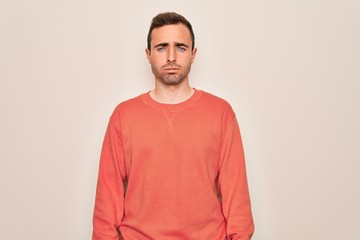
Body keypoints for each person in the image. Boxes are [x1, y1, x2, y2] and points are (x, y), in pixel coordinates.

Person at [92, 12, 254, 240]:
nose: (171, 57)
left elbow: (237, 197)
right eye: (161, 47)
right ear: (148, 54)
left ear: (193, 53)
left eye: (180, 47)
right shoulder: (124, 116)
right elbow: (107, 200)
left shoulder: (220, 113)